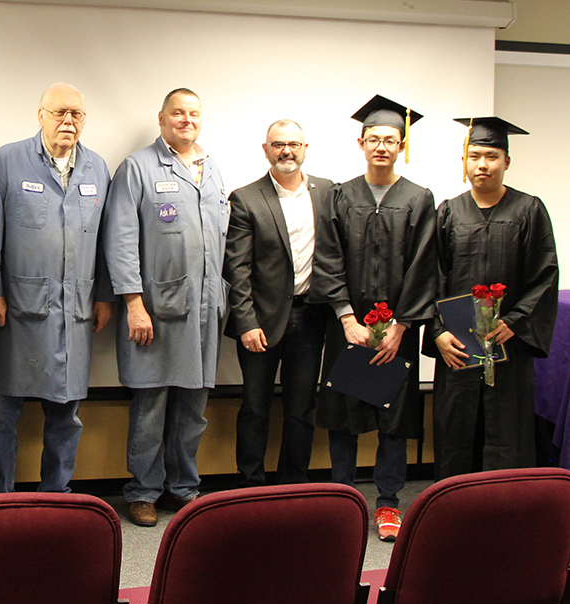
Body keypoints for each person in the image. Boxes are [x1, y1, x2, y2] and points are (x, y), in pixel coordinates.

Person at [310, 95, 437, 542]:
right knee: (344, 412)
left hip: (395, 333)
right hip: (349, 328)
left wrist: (401, 326)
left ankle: (387, 503)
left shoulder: (419, 199)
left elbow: (425, 265)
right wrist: (346, 318)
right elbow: (327, 258)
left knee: (394, 418)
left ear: (401, 145)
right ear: (361, 142)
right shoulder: (341, 195)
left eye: (390, 140)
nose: (381, 146)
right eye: (374, 139)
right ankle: (344, 498)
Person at [0, 82, 112, 494]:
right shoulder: (8, 161)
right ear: (41, 116)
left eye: (77, 114)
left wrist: (104, 294)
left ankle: (57, 494)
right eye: (59, 113)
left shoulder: (97, 169)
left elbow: (108, 238)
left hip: (74, 311)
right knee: (1, 411)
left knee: (66, 413)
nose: (68, 121)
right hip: (15, 310)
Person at [103, 88, 228, 527]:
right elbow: (119, 240)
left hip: (205, 311)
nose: (186, 120)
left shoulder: (211, 171)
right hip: (155, 310)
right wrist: (133, 304)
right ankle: (142, 492)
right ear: (162, 118)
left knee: (194, 407)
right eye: (178, 112)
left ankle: (183, 488)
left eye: (194, 113)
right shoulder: (138, 167)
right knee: (151, 405)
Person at [429, 117, 559, 477]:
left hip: (507, 346)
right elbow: (431, 278)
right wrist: (438, 331)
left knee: (507, 430)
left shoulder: (529, 210)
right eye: (474, 156)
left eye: (491, 156)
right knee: (456, 429)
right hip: (457, 347)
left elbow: (545, 277)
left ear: (506, 161)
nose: (482, 165)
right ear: (464, 162)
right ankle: (451, 510)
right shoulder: (449, 212)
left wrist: (514, 322)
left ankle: (505, 512)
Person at [224, 120, 332, 488]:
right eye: (278, 144)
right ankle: (250, 485)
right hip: (261, 321)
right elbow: (236, 268)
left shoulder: (328, 192)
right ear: (266, 149)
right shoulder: (246, 198)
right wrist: (246, 322)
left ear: (306, 148)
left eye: (294, 144)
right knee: (255, 407)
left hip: (311, 317)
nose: (287, 150)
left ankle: (294, 484)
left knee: (301, 408)